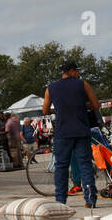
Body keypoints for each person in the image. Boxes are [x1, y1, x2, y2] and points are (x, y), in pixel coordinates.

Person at [42, 60, 100, 209]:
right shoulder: (82, 84)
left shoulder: (51, 88)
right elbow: (96, 105)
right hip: (81, 130)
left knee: (61, 166)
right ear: (72, 71)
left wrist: (58, 109)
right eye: (77, 71)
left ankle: (61, 201)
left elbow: (45, 110)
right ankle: (90, 199)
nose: (78, 74)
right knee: (85, 164)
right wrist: (82, 105)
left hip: (63, 132)